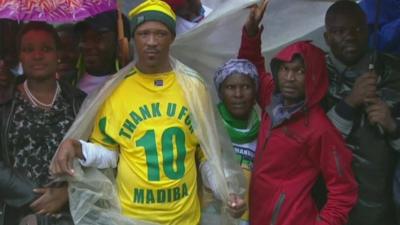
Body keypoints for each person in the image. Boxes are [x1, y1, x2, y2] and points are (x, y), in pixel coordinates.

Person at [50, 1, 246, 224]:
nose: (152, 42)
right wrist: (77, 147)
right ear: (133, 39)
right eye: (144, 34)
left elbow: (207, 155)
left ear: (172, 37)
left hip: (185, 220)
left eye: (160, 33)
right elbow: (110, 154)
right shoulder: (116, 91)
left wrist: (227, 190)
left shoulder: (193, 88)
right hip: (132, 219)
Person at [236, 1, 358, 224]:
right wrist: (251, 32)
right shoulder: (272, 100)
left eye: (300, 71)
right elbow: (250, 67)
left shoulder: (319, 129)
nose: (290, 78)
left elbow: (344, 189)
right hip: (257, 214)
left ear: (313, 76)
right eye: (285, 69)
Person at [0, 22, 86, 225]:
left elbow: (92, 157)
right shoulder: (4, 102)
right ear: (20, 56)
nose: (37, 56)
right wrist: (37, 197)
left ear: (58, 54)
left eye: (46, 49)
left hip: (71, 214)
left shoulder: (78, 102)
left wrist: (66, 193)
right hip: (17, 213)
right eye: (28, 49)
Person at [323, 1, 400, 224]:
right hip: (330, 208)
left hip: (384, 207)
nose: (349, 36)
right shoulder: (314, 75)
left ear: (367, 30)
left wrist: (392, 126)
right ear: (327, 38)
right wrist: (349, 103)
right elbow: (309, 144)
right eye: (339, 31)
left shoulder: (392, 72)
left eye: (356, 29)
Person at [213, 58, 259, 225]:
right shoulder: (209, 126)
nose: (238, 94)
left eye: (245, 87)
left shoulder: (265, 132)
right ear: (220, 93)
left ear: (255, 93)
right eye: (230, 87)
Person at [75, 10, 131, 95]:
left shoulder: (134, 84)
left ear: (120, 42)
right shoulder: (68, 83)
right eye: (84, 39)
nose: (88, 46)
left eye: (98, 38)